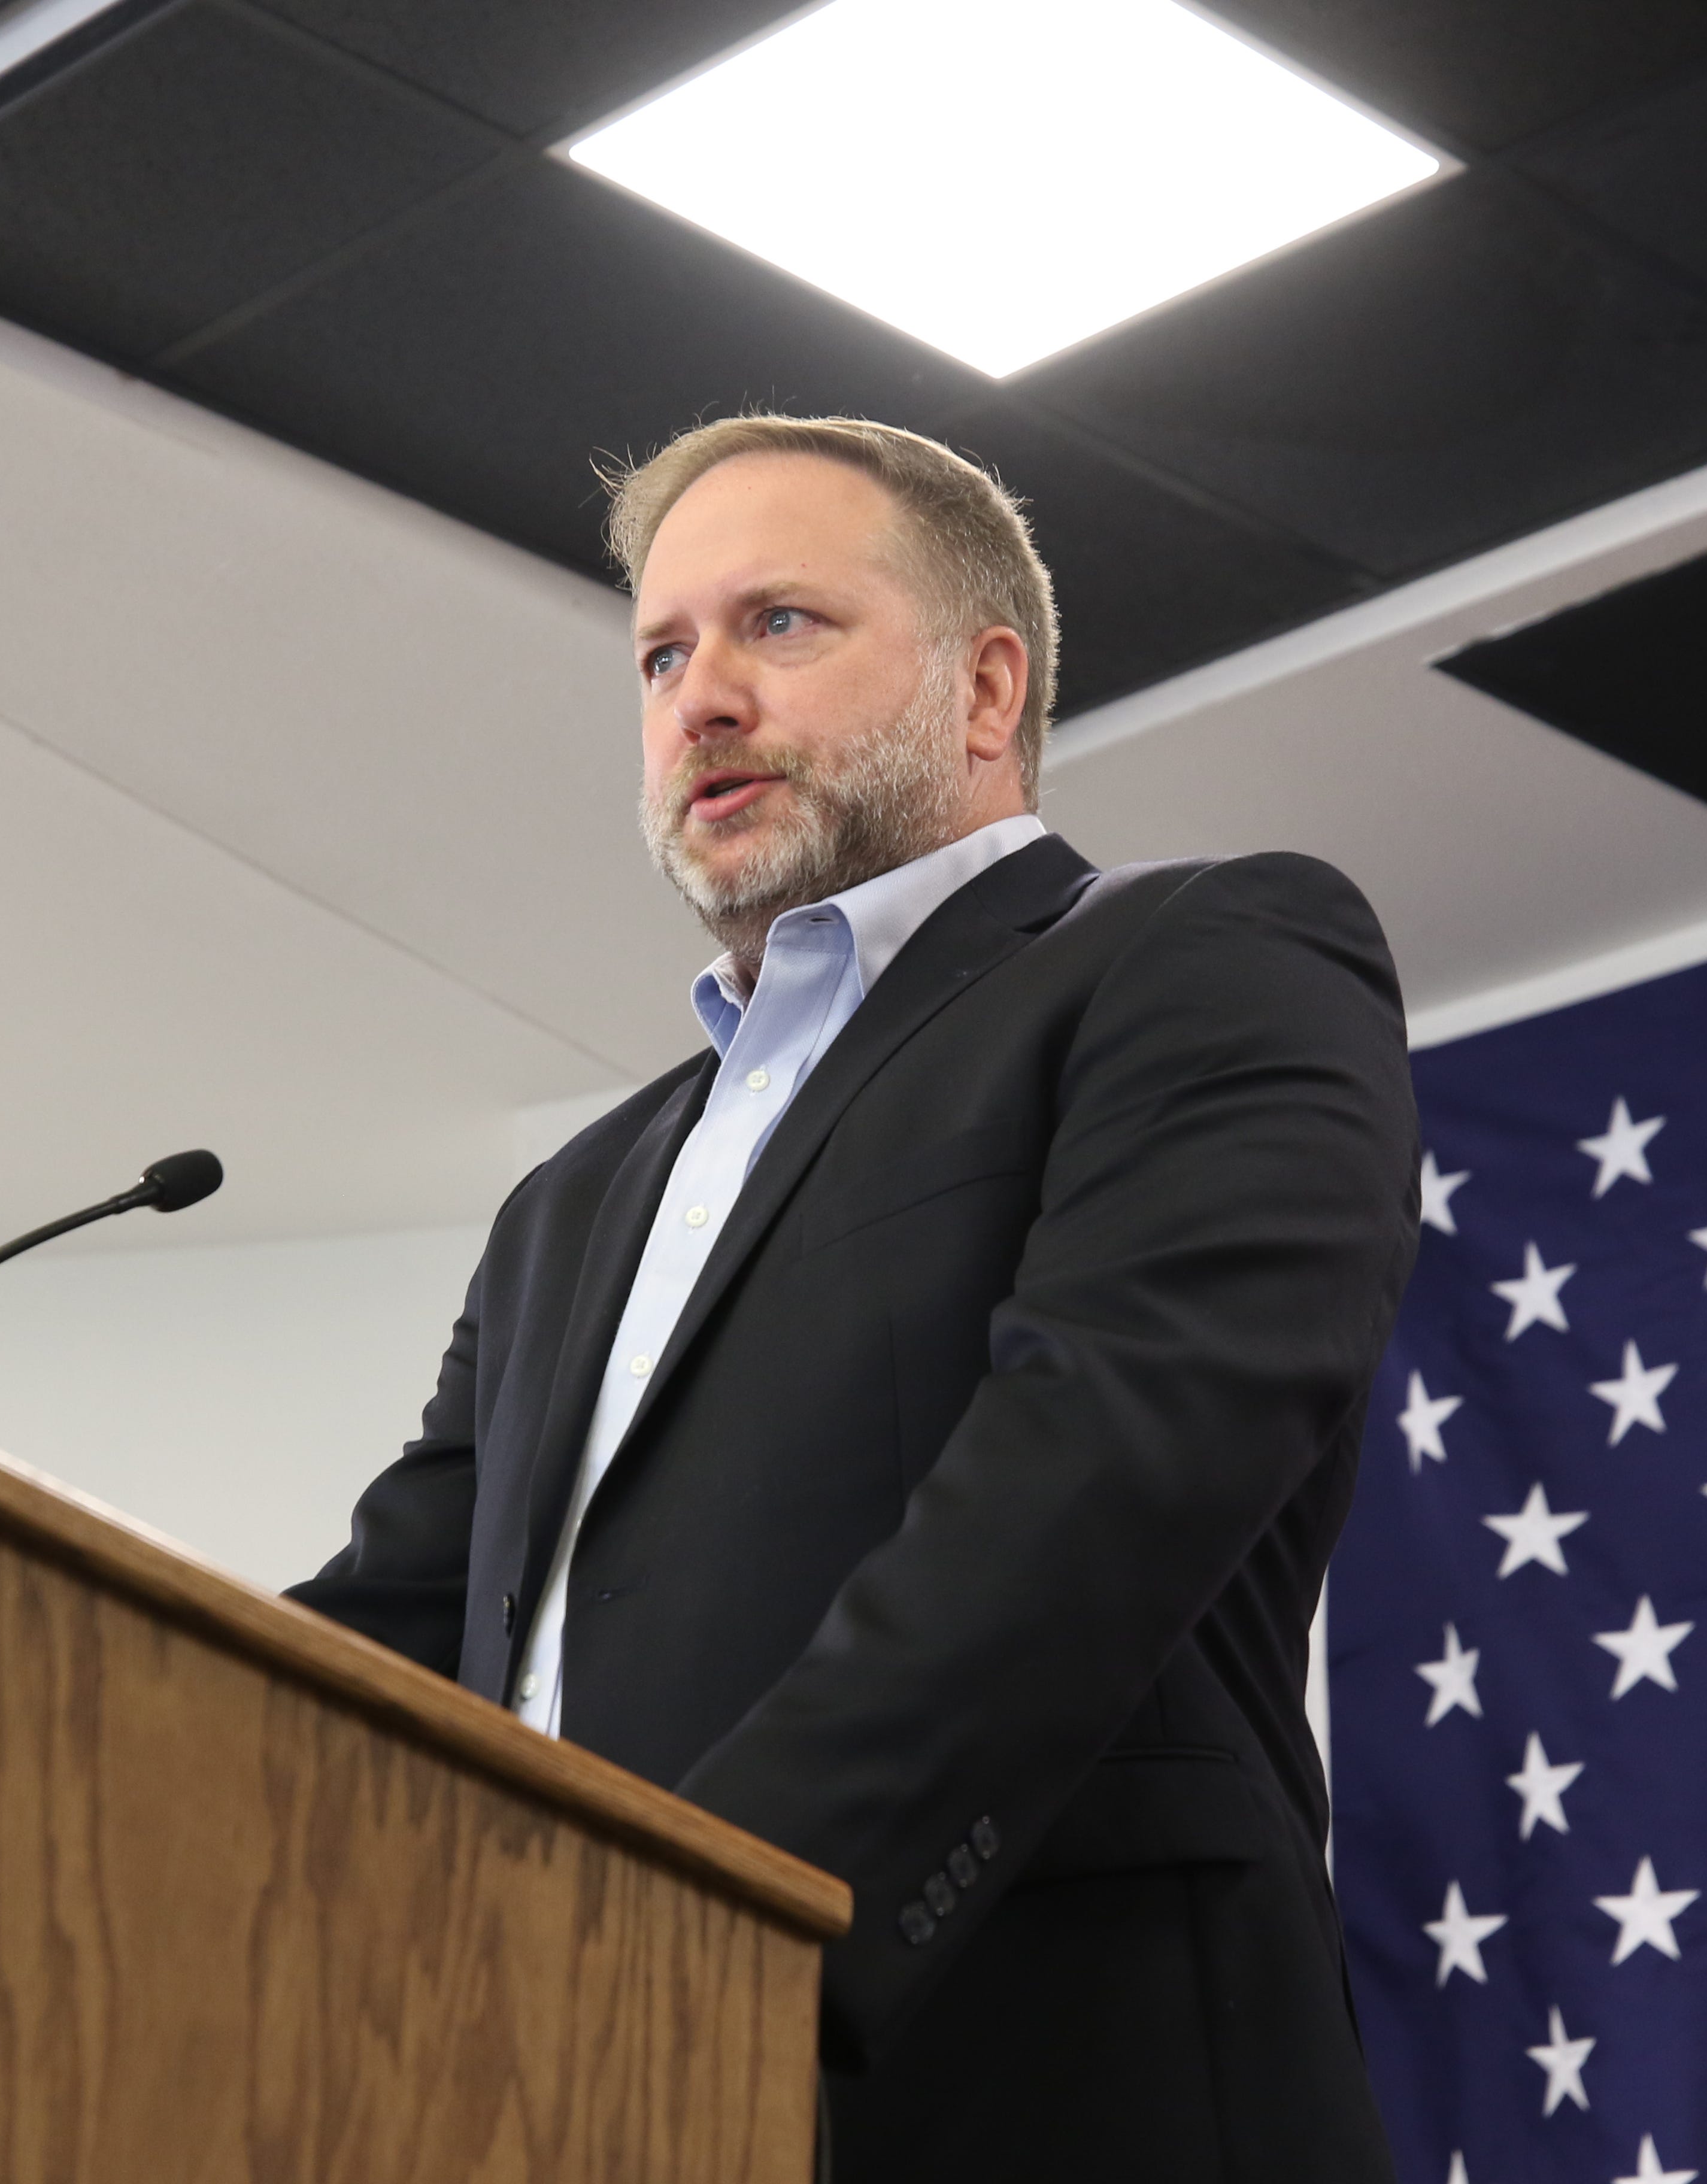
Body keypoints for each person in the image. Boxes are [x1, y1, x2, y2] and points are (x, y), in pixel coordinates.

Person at [287, 415, 1417, 2182]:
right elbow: (391, 1644)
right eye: (662, 654)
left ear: (985, 692)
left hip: (1042, 2092)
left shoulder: (1202, 961)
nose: (701, 698)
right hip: (565, 2100)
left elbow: (1100, 1474)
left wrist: (709, 1927)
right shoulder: (567, 1208)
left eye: (779, 627)